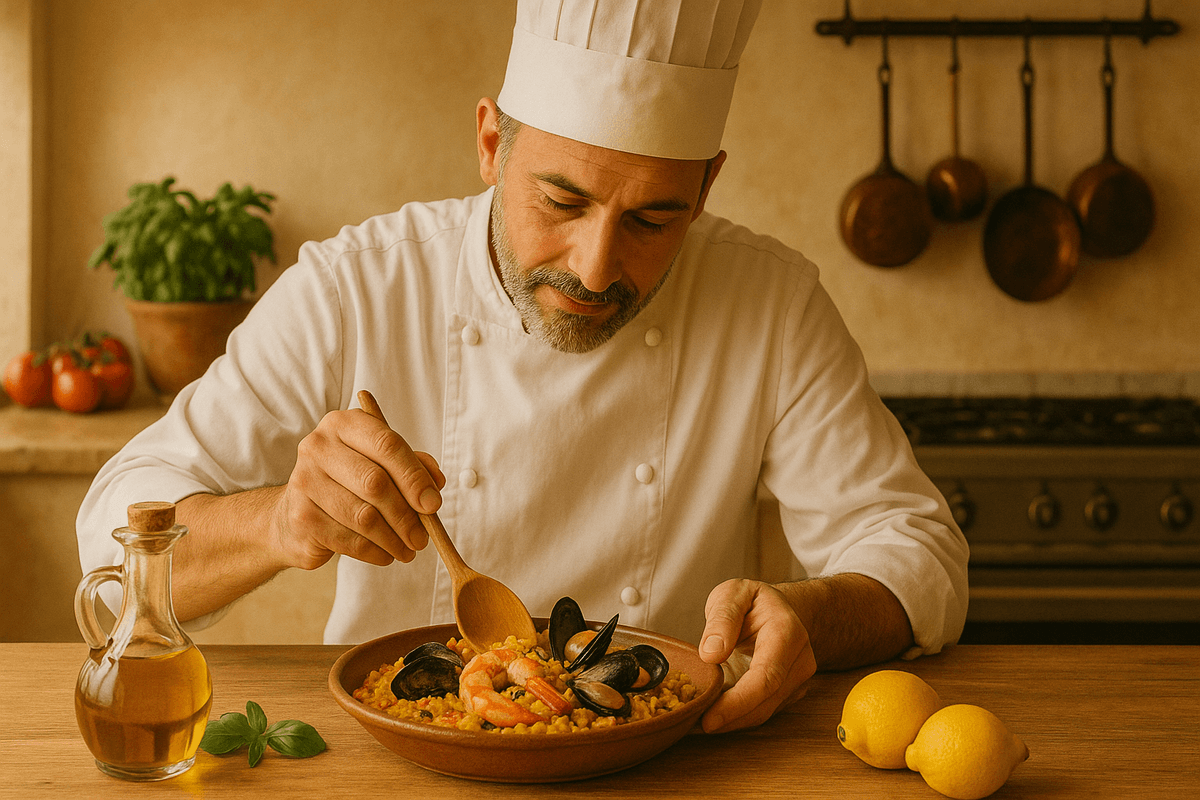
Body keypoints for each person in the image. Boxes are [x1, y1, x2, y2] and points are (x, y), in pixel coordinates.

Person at [77, 0, 968, 735]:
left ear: (706, 186)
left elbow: (918, 553)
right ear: (490, 143)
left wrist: (809, 616)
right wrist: (279, 521)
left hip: (674, 768)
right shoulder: (356, 286)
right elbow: (113, 546)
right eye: (561, 200)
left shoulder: (772, 303)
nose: (595, 268)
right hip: (390, 767)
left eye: (653, 220)